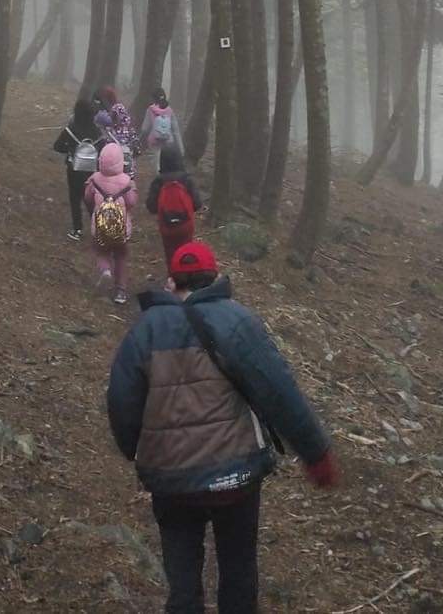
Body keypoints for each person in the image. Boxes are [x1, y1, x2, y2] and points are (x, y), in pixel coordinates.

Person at [107, 242, 338, 613]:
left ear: (171, 283)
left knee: (182, 577)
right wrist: (315, 452)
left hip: (170, 477)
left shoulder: (145, 330)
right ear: (215, 278)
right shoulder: (237, 321)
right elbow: (279, 389)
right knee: (238, 567)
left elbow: (122, 399)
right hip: (236, 474)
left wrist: (133, 448)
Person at [84, 141, 139, 305]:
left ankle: (105, 270)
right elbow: (132, 203)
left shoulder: (94, 180)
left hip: (100, 227)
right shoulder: (126, 181)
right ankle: (120, 291)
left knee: (101, 251)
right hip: (121, 228)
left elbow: (87, 198)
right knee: (121, 255)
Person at [145, 145, 204, 267]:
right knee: (186, 252)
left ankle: (173, 279)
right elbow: (198, 204)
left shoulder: (158, 181)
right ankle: (187, 276)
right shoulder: (187, 180)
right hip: (186, 225)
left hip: (166, 224)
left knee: (170, 253)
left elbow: (151, 207)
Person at [53, 95, 101, 242]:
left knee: (75, 199)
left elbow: (57, 146)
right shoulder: (97, 132)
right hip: (92, 171)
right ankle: (99, 229)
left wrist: (70, 149)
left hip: (74, 170)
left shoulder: (70, 130)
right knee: (91, 199)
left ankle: (77, 229)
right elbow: (103, 149)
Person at [140, 88, 184, 169]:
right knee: (167, 160)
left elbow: (145, 128)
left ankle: (159, 175)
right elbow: (176, 130)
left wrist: (140, 139)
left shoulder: (151, 109)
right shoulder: (169, 110)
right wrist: (181, 149)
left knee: (157, 161)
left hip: (155, 140)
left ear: (153, 98)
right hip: (168, 139)